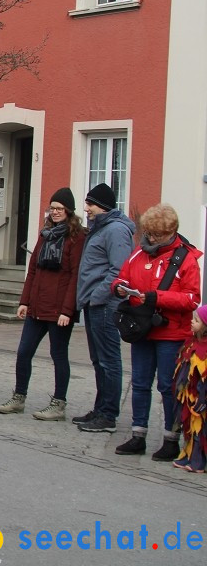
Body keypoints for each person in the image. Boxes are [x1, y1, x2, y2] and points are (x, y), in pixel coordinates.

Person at [110, 204, 201, 459]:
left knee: (167, 386)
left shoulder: (186, 258)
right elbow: (122, 277)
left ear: (171, 232)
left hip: (171, 332)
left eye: (156, 235)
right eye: (148, 233)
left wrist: (155, 297)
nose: (150, 238)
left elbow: (192, 299)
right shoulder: (139, 254)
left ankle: (171, 439)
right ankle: (138, 435)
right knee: (139, 383)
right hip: (142, 328)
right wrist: (118, 288)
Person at [0, 188, 86, 421]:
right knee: (24, 352)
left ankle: (58, 403)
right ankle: (18, 397)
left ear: (68, 211)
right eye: (52, 208)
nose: (55, 212)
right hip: (37, 306)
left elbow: (76, 276)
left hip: (59, 310)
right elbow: (33, 269)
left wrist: (68, 310)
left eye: (59, 209)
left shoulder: (76, 238)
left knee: (58, 356)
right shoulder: (45, 234)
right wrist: (24, 301)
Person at [74, 182, 135, 433]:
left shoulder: (116, 231)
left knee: (109, 360)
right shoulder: (100, 229)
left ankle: (108, 415)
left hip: (106, 305)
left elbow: (119, 271)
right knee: (99, 360)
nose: (86, 208)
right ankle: (100, 409)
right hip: (95, 304)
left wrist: (96, 296)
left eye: (90, 204)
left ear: (102, 206)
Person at [173, 304, 207, 472]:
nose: (192, 323)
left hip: (201, 396)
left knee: (201, 429)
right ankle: (190, 454)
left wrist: (203, 397)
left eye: (196, 320)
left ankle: (200, 461)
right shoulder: (191, 343)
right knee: (189, 426)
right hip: (189, 394)